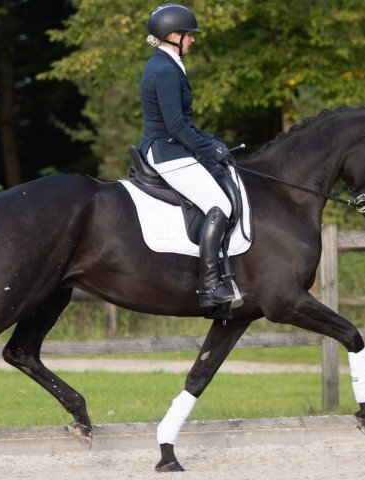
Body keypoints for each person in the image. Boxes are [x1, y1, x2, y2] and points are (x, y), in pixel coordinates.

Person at [139, 3, 242, 309]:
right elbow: (176, 125)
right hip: (167, 151)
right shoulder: (164, 70)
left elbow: (184, 122)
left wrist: (211, 141)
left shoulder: (165, 64)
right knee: (219, 203)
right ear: (173, 36)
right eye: (188, 35)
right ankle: (210, 286)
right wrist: (209, 151)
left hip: (171, 146)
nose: (192, 40)